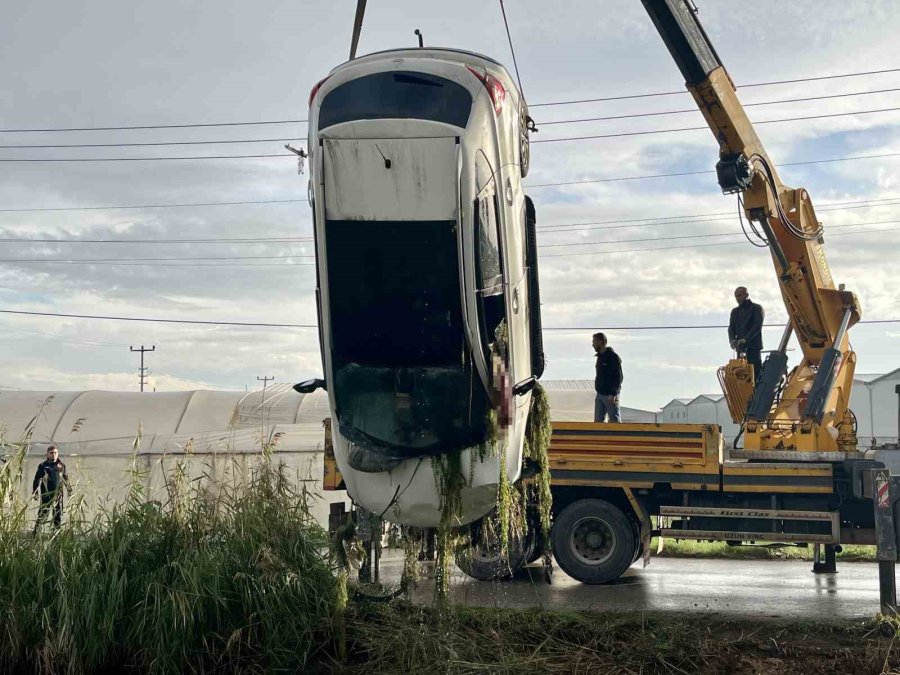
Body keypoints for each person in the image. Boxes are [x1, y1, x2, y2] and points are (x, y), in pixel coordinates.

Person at [728, 286, 765, 383]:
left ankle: (757, 392)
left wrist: (746, 339)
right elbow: (731, 327)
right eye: (736, 296)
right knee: (741, 374)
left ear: (746, 295)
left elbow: (757, 326)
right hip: (740, 348)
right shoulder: (735, 312)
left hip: (753, 347)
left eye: (740, 295)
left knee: (755, 373)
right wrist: (732, 340)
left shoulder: (756, 308)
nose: (737, 298)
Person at [32, 445, 72, 533]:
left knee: (57, 515)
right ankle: (36, 534)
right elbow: (37, 479)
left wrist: (69, 490)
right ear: (47, 454)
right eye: (51, 453)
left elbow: (66, 478)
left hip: (58, 495)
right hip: (46, 494)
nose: (53, 455)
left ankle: (56, 534)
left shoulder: (61, 465)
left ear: (57, 454)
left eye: (55, 453)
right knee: (43, 514)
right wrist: (35, 492)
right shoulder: (43, 466)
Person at [593, 332, 623, 423]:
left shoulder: (613, 357)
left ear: (601, 342)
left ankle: (618, 437)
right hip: (600, 394)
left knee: (614, 421)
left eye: (594, 341)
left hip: (610, 395)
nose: (592, 344)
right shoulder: (599, 357)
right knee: (598, 422)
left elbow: (619, 377)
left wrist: (613, 394)